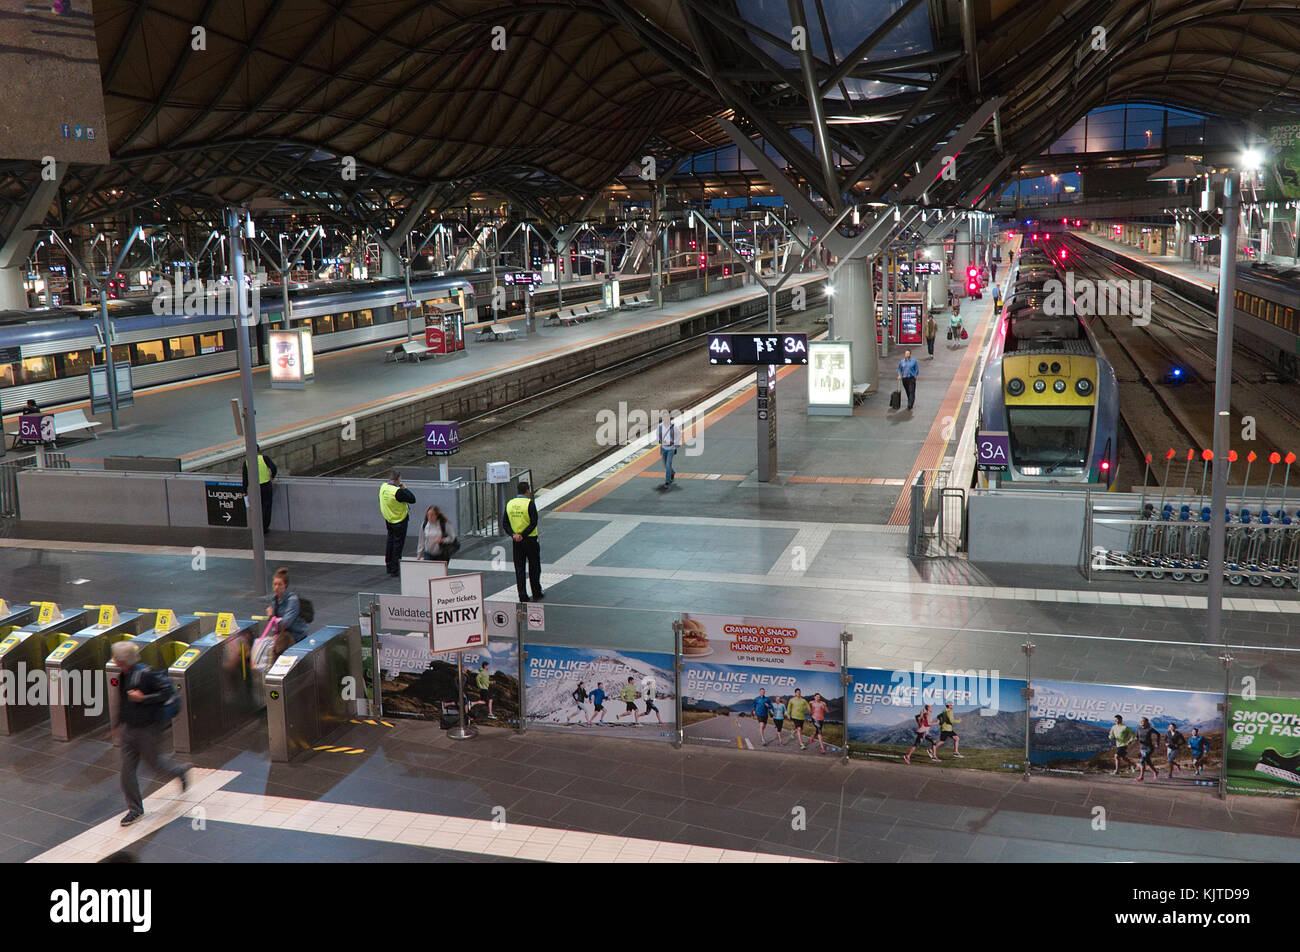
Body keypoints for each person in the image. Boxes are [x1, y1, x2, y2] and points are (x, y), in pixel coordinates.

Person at [112, 641, 191, 826]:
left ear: (122, 660)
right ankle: (135, 810)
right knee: (127, 772)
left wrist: (144, 698)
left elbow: (166, 693)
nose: (114, 661)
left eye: (116, 658)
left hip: (147, 729)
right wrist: (117, 724)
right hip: (129, 729)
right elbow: (122, 701)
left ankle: (179, 772)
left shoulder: (146, 674)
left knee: (155, 765)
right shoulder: (121, 675)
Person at [502, 480, 543, 602]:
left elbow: (505, 523)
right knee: (534, 566)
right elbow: (534, 522)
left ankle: (522, 595)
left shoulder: (510, 504)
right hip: (530, 540)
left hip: (516, 542)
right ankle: (536, 592)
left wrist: (513, 535)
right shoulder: (529, 503)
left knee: (519, 568)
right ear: (527, 491)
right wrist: (523, 535)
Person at [379, 471, 416, 577]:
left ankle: (389, 566)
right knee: (398, 545)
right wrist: (405, 488)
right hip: (399, 520)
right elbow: (412, 499)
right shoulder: (398, 492)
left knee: (390, 542)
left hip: (389, 519)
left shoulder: (383, 487)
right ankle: (395, 569)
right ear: (398, 479)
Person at [267, 567, 308, 658]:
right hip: (283, 634)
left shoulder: (292, 600)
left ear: (285, 585)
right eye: (275, 584)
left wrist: (271, 616)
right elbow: (276, 625)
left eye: (280, 584)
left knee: (278, 648)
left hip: (295, 635)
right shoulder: (274, 600)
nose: (277, 587)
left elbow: (285, 623)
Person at [241, 445, 278, 534]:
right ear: (258, 450)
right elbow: (274, 468)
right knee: (267, 506)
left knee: (258, 507)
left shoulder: (246, 462)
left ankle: (258, 527)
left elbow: (245, 478)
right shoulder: (264, 458)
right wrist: (272, 476)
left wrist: (244, 491)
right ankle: (265, 527)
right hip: (266, 486)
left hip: (254, 488)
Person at [657, 411, 681, 488]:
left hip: (671, 448)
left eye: (667, 417)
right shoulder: (660, 426)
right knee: (665, 465)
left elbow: (679, 436)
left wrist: (673, 442)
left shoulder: (674, 427)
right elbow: (658, 435)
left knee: (668, 464)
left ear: (670, 418)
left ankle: (667, 481)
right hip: (663, 448)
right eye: (664, 417)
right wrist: (659, 440)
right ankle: (672, 472)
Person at [1136, 716, 1161, 782]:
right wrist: (1135, 739)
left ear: (1147, 722)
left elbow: (1158, 734)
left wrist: (1157, 743)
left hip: (1149, 748)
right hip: (1142, 748)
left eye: (1143, 721)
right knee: (1148, 762)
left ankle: (1141, 776)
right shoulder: (1138, 729)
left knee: (1142, 760)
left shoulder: (1150, 729)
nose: (1142, 722)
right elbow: (1137, 737)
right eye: (1141, 721)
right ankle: (1155, 772)